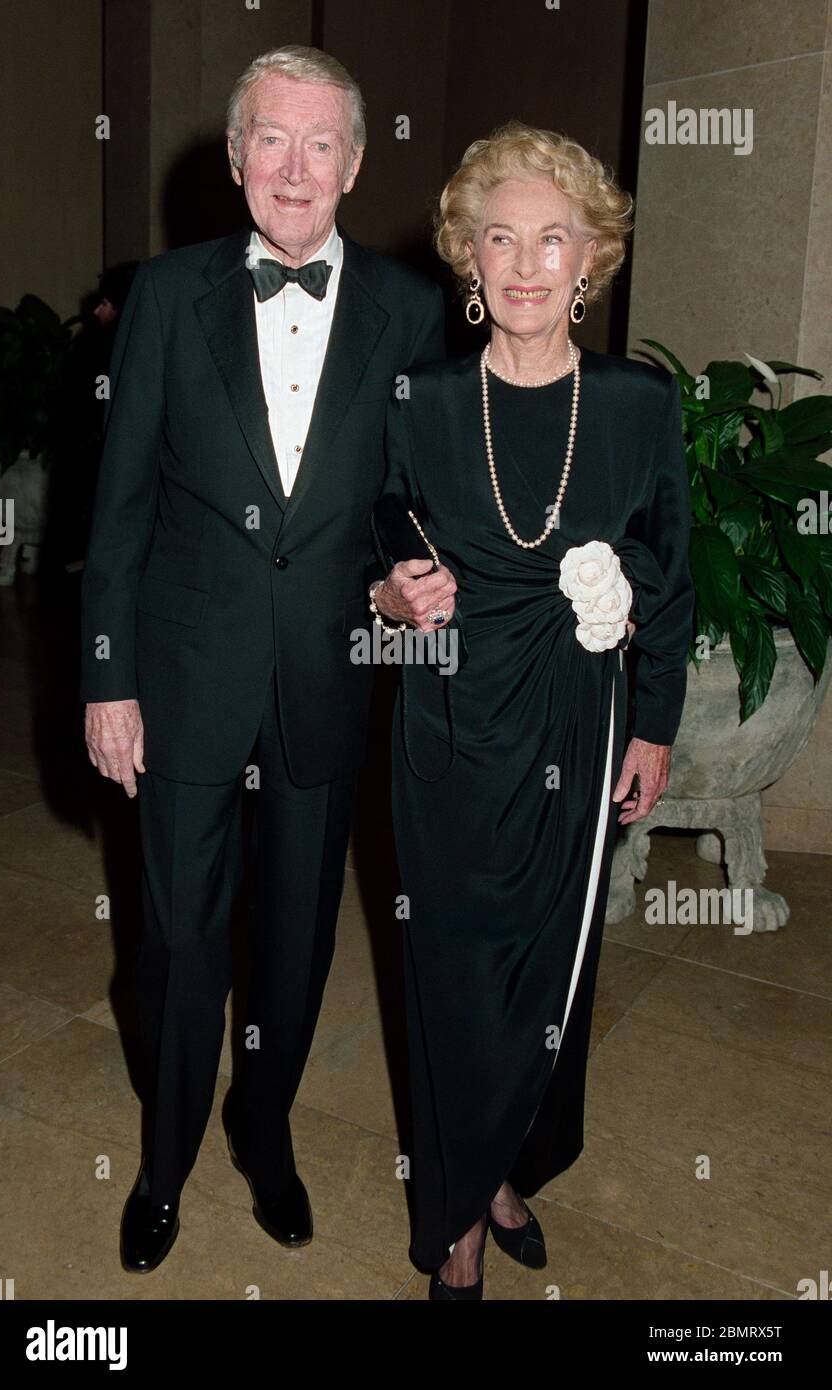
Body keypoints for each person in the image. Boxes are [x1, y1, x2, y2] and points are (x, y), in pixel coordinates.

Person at [80, 44, 445, 1273]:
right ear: (236, 158)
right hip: (181, 681)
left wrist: (403, 574)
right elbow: (118, 508)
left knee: (294, 947)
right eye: (270, 141)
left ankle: (262, 1126)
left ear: (354, 158)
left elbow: (401, 499)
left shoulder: (408, 308)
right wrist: (105, 677)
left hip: (325, 681)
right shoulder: (165, 295)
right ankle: (166, 1154)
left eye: (320, 142)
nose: (294, 168)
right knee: (180, 945)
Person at [371, 121, 694, 1299]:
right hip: (450, 722)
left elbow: (671, 568)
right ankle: (455, 1219)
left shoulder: (634, 403)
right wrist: (395, 583)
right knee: (452, 970)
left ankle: (501, 1164)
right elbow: (388, 515)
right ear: (465, 253)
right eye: (497, 237)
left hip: (575, 717)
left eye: (550, 239)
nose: (522, 264)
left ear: (591, 257)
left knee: (548, 965)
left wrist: (653, 722)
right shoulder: (423, 395)